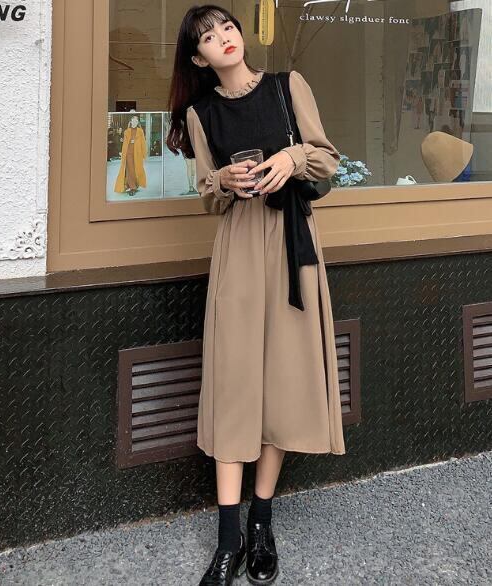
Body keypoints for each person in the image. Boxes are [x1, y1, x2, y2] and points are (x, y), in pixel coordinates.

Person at [166, 5, 346, 585]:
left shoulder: (287, 87)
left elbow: (327, 159)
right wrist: (222, 180)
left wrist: (291, 158)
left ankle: (261, 521)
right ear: (198, 59)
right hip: (240, 248)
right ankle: (229, 538)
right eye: (208, 37)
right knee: (235, 381)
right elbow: (208, 196)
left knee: (282, 383)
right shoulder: (200, 113)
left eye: (227, 27)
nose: (223, 38)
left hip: (291, 244)